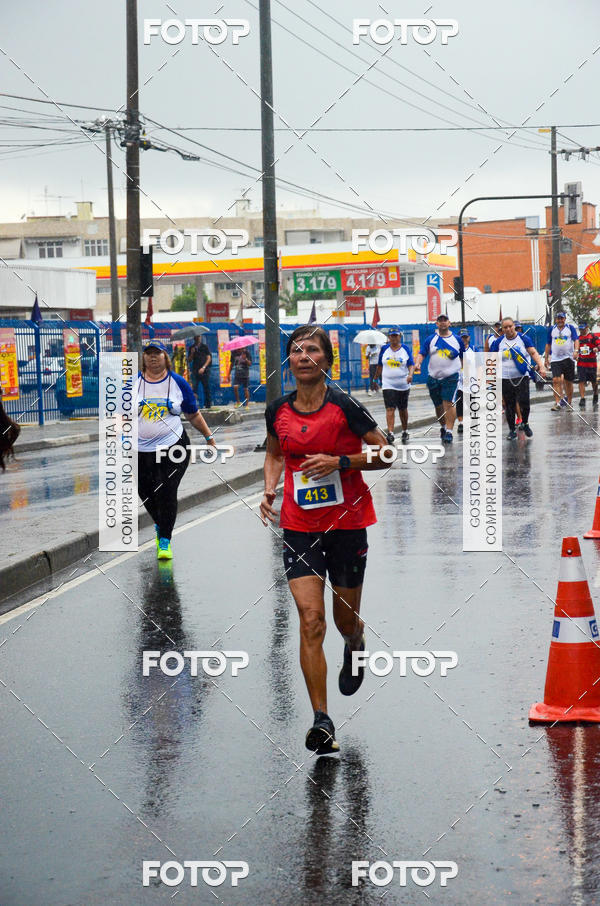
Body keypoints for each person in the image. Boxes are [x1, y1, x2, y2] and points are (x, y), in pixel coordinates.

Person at [260, 325, 389, 755]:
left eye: (311, 349)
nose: (302, 356)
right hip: (299, 527)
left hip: (348, 526)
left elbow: (387, 452)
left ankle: (356, 642)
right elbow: (276, 452)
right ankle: (322, 720)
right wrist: (270, 489)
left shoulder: (346, 407)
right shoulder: (278, 408)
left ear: (326, 360)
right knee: (310, 620)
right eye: (296, 350)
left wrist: (341, 461)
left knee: (342, 621)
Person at [137, 341, 216, 560]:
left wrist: (209, 437)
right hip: (141, 450)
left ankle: (164, 541)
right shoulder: (132, 385)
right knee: (144, 491)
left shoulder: (178, 382)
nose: (153, 357)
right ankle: (161, 525)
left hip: (174, 446)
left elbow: (193, 414)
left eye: (157, 354)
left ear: (165, 357)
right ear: (143, 358)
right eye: (149, 354)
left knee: (166, 491)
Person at [489, 317, 546, 440]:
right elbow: (491, 359)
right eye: (505, 327)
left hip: (522, 377)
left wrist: (541, 366)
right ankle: (511, 430)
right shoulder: (498, 342)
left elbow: (533, 353)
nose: (508, 329)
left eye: (510, 326)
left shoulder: (523, 339)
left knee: (525, 403)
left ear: (514, 326)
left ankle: (525, 423)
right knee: (509, 405)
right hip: (505, 378)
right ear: (502, 329)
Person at [415, 313, 464, 444]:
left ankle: (449, 431)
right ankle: (443, 427)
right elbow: (422, 353)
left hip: (451, 376)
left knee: (448, 402)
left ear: (449, 323)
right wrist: (418, 363)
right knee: (438, 406)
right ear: (437, 324)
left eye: (445, 320)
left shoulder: (457, 340)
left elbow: (463, 357)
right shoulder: (431, 339)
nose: (442, 322)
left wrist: (466, 372)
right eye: (440, 321)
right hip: (433, 377)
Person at [375, 327, 414, 444]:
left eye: (396, 335)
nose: (394, 338)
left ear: (400, 337)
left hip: (403, 384)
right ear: (389, 337)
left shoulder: (405, 349)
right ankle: (391, 433)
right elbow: (379, 365)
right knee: (390, 408)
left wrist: (410, 375)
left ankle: (405, 430)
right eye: (392, 336)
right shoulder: (384, 349)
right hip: (388, 384)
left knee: (402, 409)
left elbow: (411, 364)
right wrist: (375, 378)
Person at [544, 312, 579, 410]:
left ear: (565, 319)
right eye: (558, 319)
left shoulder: (570, 328)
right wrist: (546, 358)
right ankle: (557, 403)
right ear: (555, 320)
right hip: (555, 359)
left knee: (568, 382)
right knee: (556, 380)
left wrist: (576, 351)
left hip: (568, 358)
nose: (560, 320)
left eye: (562, 318)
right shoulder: (552, 329)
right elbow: (548, 344)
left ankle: (569, 403)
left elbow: (576, 340)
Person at [455, 328, 476, 434]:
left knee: (471, 401)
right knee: (459, 402)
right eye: (461, 337)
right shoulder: (455, 350)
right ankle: (461, 423)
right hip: (459, 382)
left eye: (465, 337)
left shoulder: (473, 349)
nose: (463, 339)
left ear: (469, 338)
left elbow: (480, 365)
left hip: (471, 381)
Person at [576, 322, 599, 408]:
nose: (582, 330)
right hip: (581, 363)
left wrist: (597, 348)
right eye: (580, 329)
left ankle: (595, 394)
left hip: (592, 364)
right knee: (581, 381)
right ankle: (582, 398)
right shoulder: (578, 338)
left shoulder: (593, 336)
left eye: (583, 328)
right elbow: (575, 349)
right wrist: (576, 355)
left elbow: (599, 344)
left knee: (594, 381)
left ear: (587, 327)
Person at [188, 336, 212, 409]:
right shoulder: (192, 347)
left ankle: (208, 405)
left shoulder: (204, 347)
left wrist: (203, 367)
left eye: (199, 336)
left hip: (204, 370)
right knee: (194, 388)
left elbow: (209, 358)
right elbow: (189, 360)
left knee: (206, 388)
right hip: (195, 370)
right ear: (194, 338)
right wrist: (192, 353)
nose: (198, 338)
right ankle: (193, 405)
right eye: (196, 337)